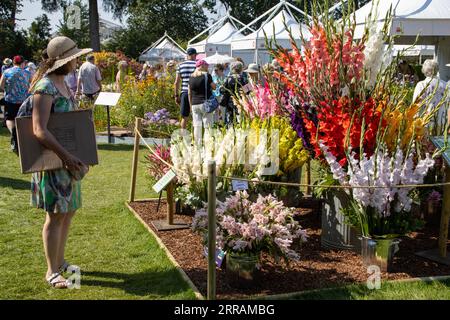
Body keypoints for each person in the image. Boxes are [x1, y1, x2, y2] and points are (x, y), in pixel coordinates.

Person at [25, 36, 92, 289]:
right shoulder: (45, 87)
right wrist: (66, 156)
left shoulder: (63, 82)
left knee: (68, 212)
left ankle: (61, 261)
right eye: (73, 57)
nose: (76, 60)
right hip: (54, 163)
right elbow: (39, 130)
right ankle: (52, 272)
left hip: (69, 162)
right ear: (62, 60)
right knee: (54, 216)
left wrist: (82, 152)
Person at [0, 55, 31, 153]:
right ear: (22, 63)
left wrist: (7, 89)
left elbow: (1, 86)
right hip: (23, 100)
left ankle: (13, 131)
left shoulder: (7, 72)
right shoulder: (27, 72)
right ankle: (21, 138)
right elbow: (32, 84)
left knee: (9, 119)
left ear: (13, 62)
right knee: (22, 119)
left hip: (10, 100)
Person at [413, 59, 449, 135]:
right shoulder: (445, 85)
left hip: (425, 121)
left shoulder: (421, 85)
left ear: (424, 70)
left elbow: (416, 105)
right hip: (441, 121)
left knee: (426, 145)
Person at [188, 59, 216, 146]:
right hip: (205, 103)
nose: (208, 67)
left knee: (197, 126)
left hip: (194, 104)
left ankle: (197, 145)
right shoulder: (207, 75)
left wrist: (190, 105)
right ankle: (208, 145)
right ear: (202, 66)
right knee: (207, 126)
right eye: (206, 65)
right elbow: (214, 87)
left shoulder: (191, 77)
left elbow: (189, 92)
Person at [174, 48, 197, 129]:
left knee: (184, 117)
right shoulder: (197, 65)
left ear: (187, 55)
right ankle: (196, 137)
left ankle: (182, 137)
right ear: (194, 55)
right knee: (196, 116)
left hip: (184, 93)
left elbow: (176, 82)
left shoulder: (180, 65)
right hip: (195, 93)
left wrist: (176, 95)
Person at [220, 61, 247, 125]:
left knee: (230, 120)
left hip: (230, 102)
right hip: (241, 102)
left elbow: (222, 90)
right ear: (241, 69)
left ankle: (231, 133)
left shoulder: (229, 78)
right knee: (241, 120)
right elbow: (248, 91)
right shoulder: (243, 78)